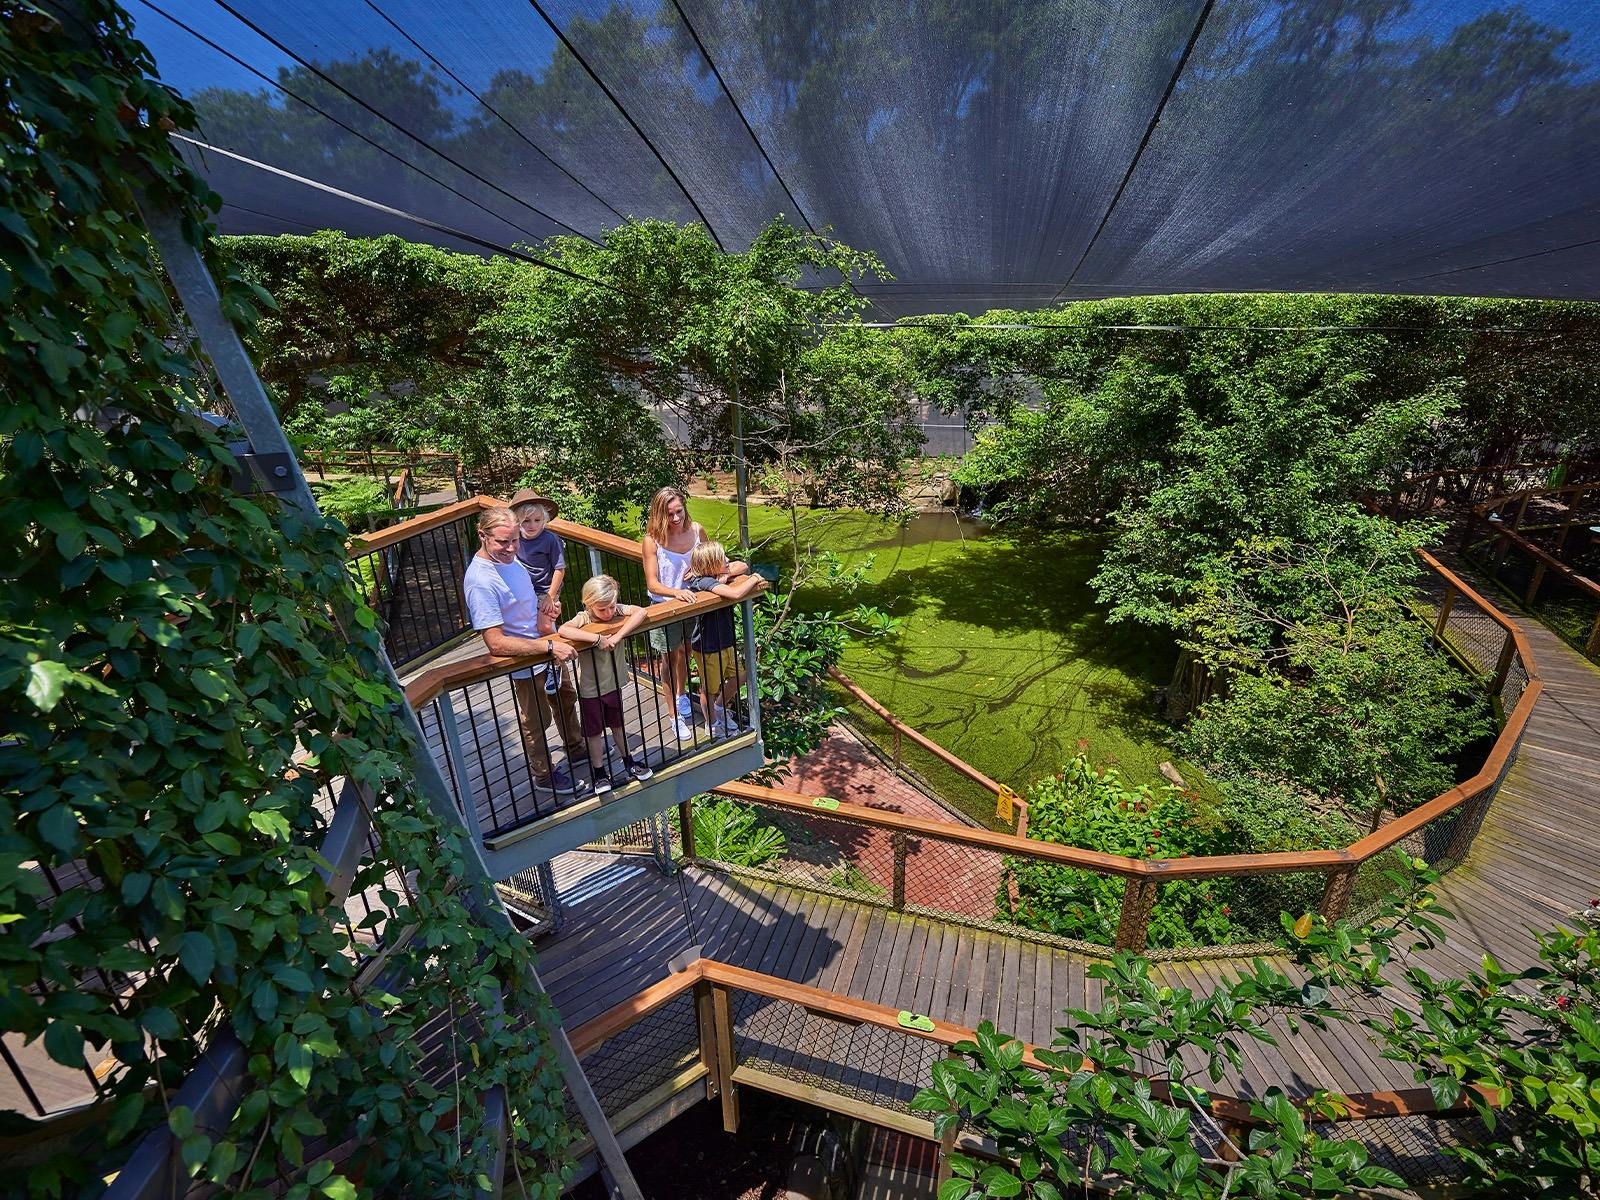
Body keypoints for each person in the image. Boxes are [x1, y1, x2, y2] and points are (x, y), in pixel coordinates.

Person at [463, 506, 585, 793]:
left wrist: (546, 610)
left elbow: (525, 600)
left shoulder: (511, 561)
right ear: (483, 536)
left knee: (565, 698)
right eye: (503, 542)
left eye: (515, 540)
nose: (511, 548)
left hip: (547, 649)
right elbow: (495, 642)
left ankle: (576, 748)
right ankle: (543, 774)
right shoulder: (480, 581)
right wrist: (549, 645)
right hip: (525, 662)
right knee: (536, 719)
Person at [641, 486, 746, 739]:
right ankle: (673, 715)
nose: (676, 518)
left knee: (688, 653)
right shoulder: (652, 541)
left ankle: (684, 696)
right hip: (665, 607)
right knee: (669, 659)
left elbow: (713, 561)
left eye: (679, 511)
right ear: (659, 514)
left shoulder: (697, 530)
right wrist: (676, 592)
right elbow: (652, 583)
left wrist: (721, 574)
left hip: (697, 603)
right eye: (669, 514)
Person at [558, 574, 655, 795]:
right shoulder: (583, 619)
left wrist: (618, 635)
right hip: (591, 689)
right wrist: (597, 639)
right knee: (593, 731)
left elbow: (641, 611)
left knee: (618, 723)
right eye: (602, 609)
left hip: (613, 683)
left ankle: (628, 760)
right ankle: (599, 772)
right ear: (589, 603)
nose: (609, 612)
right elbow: (563, 630)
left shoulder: (617, 609)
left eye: (611, 607)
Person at [684, 541, 762, 736]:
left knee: (741, 675)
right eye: (722, 559)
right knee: (709, 689)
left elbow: (742, 564)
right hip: (708, 646)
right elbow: (735, 594)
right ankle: (711, 726)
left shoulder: (714, 577)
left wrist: (726, 574)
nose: (727, 560)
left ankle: (719, 708)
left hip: (725, 641)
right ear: (710, 565)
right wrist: (753, 579)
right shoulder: (703, 582)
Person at [510, 489, 566, 696]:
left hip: (545, 590)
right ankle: (534, 663)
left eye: (536, 520)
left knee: (544, 626)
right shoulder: (515, 540)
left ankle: (556, 662)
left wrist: (551, 596)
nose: (531, 526)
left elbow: (559, 569)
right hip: (525, 589)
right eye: (526, 521)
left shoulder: (550, 539)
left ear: (543, 519)